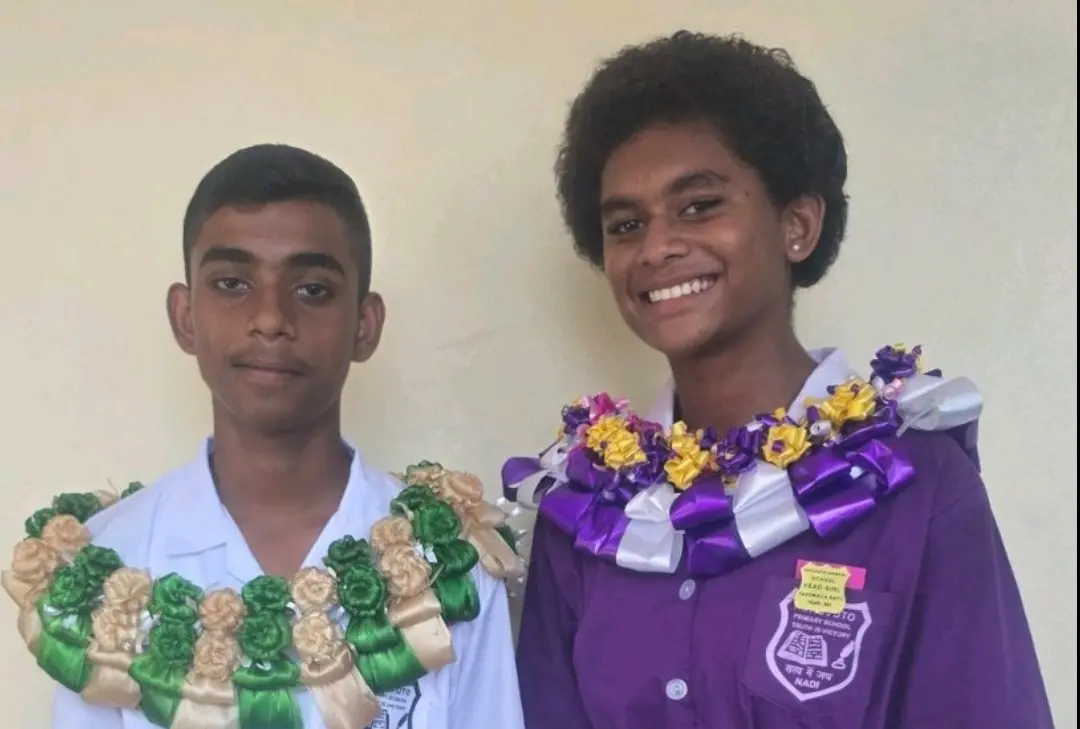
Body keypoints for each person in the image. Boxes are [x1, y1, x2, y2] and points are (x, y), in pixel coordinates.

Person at [504, 32, 1054, 729]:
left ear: (797, 224)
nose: (658, 246)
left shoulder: (913, 482)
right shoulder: (590, 514)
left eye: (699, 204)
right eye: (625, 223)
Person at [3, 144, 526, 729]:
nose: (272, 318)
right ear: (185, 316)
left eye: (313, 290)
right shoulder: (109, 574)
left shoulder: (445, 564)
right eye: (232, 283)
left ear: (364, 324)